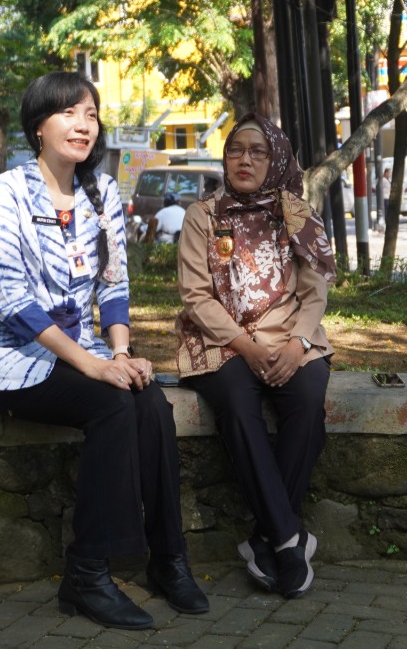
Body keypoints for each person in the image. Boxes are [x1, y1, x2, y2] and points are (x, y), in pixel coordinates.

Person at [0, 72, 206, 630]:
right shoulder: (3, 193)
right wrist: (91, 365)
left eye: (90, 114)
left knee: (149, 402)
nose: (82, 124)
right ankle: (87, 575)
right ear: (38, 127)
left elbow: (114, 284)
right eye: (67, 112)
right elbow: (9, 296)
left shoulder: (102, 192)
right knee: (111, 404)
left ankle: (169, 559)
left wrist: (119, 354)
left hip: (81, 348)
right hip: (5, 356)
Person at [175, 114, 336, 599]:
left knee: (307, 404)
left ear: (276, 158)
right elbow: (195, 296)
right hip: (221, 341)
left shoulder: (296, 214)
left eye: (257, 151)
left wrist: (298, 344)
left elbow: (315, 293)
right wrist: (244, 345)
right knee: (238, 407)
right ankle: (288, 540)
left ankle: (264, 540)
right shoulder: (202, 215)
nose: (244, 160)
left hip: (291, 339)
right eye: (235, 150)